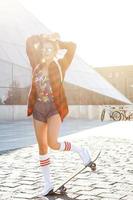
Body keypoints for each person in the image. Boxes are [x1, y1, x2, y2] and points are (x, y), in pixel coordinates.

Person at [26, 32, 92, 196]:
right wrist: (43, 38)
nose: (46, 52)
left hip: (54, 108)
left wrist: (57, 43)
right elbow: (28, 43)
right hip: (38, 109)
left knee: (53, 144)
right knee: (42, 147)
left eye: (50, 50)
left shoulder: (61, 64)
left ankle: (80, 150)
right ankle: (48, 184)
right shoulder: (36, 63)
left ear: (54, 51)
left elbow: (72, 47)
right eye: (44, 49)